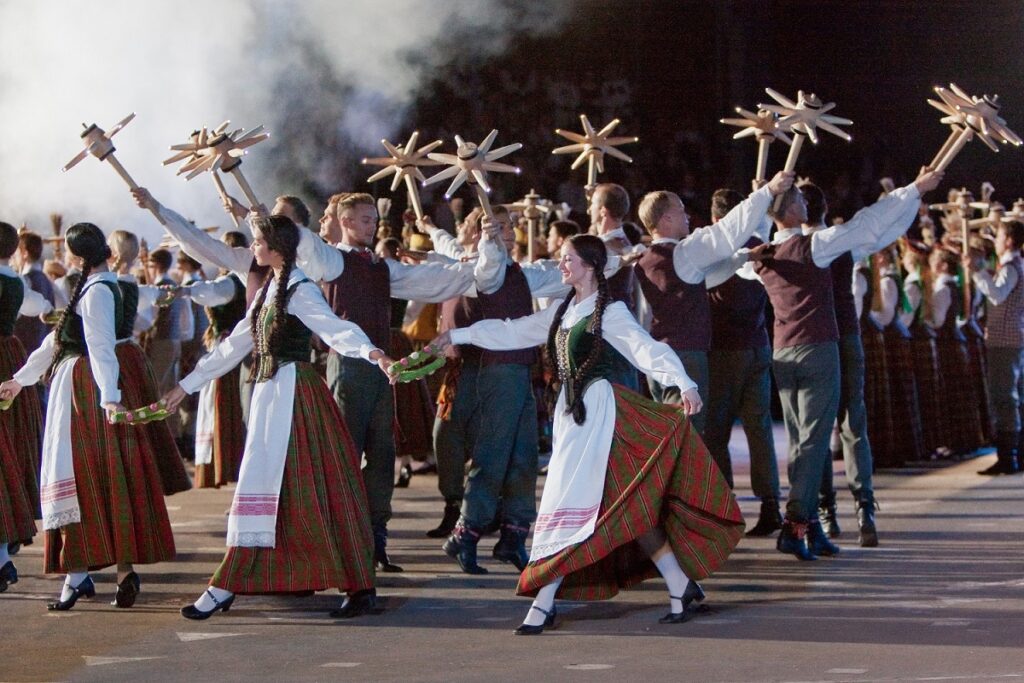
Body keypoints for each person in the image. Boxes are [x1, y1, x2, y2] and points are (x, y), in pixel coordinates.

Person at [429, 234, 744, 634]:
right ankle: (679, 585)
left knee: (571, 502)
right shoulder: (563, 311)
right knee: (624, 507)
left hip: (601, 414)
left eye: (568, 259)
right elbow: (513, 331)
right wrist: (457, 335)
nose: (561, 265)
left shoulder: (608, 311)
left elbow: (644, 348)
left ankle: (543, 602)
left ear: (591, 266)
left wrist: (683, 382)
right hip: (573, 417)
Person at [161, 214, 395, 620]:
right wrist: (186, 385)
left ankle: (351, 585)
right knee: (281, 491)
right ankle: (253, 580)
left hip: (294, 396)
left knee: (310, 486)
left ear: (276, 248)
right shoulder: (270, 288)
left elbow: (335, 328)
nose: (252, 247)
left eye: (257, 242)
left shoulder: (300, 289)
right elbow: (236, 344)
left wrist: (373, 354)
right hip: (271, 396)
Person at [747, 167, 942, 560]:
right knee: (817, 440)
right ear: (794, 211)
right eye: (797, 198)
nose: (803, 201)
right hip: (819, 348)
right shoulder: (817, 245)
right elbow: (869, 224)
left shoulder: (759, 256)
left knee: (803, 441)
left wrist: (758, 205)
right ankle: (797, 525)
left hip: (783, 352)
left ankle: (814, 526)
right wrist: (914, 190)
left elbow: (729, 252)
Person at [0, 223, 176, 610]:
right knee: (105, 479)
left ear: (79, 257)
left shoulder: (96, 291)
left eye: (67, 251)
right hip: (86, 385)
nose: (63, 256)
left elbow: (100, 346)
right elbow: (57, 340)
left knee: (79, 477)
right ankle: (107, 574)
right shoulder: (102, 285)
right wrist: (19, 380)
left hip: (83, 391)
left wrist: (109, 398)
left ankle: (83, 575)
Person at [634, 172, 794, 434]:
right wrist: (768, 192)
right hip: (686, 358)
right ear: (666, 219)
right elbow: (726, 233)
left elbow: (707, 276)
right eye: (680, 210)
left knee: (669, 434)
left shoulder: (642, 261)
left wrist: (744, 257)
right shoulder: (684, 253)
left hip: (655, 359)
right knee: (687, 436)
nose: (687, 215)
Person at [107, 229, 191, 496]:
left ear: (113, 254)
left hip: (112, 354)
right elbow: (151, 309)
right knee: (139, 406)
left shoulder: (106, 286)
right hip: (131, 354)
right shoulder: (136, 287)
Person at [0, 221, 53, 585]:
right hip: (11, 358)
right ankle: (4, 551)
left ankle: (3, 556)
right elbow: (42, 305)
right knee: (11, 452)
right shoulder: (18, 283)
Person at [966, 220, 1024, 474]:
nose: (996, 242)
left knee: (1004, 396)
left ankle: (1008, 457)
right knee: (1013, 396)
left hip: (1004, 340)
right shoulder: (1015, 266)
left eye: (999, 237)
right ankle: (1015, 454)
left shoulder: (1011, 267)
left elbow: (998, 295)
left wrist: (977, 272)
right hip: (1013, 337)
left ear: (1009, 240)